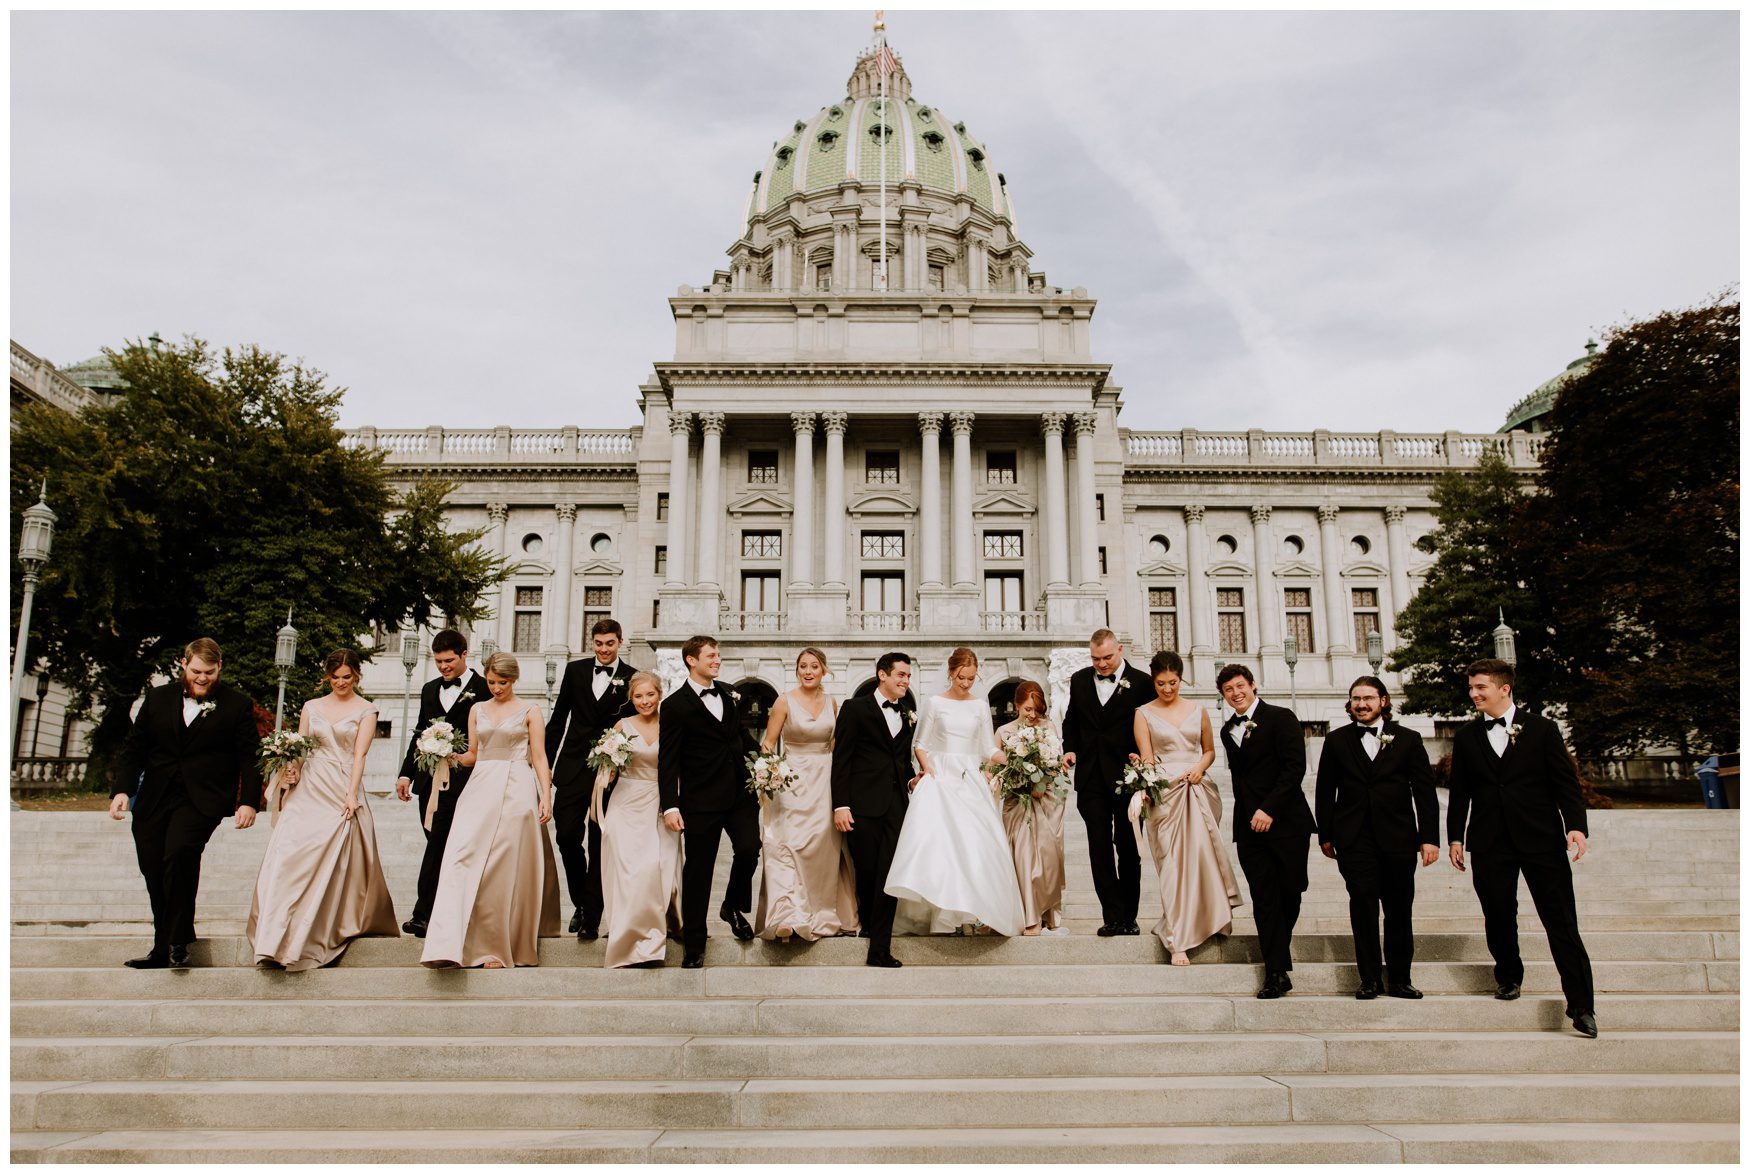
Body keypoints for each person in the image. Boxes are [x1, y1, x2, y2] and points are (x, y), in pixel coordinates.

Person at [1447, 658, 1597, 1038]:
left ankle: (1581, 1005)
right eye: (1471, 688)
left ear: (1504, 688)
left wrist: (1576, 827)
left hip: (1540, 839)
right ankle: (1508, 976)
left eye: (1480, 687)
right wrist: (1455, 837)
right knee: (1498, 914)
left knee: (1561, 921)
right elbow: (1460, 793)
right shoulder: (1465, 738)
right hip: (1489, 841)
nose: (1473, 694)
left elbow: (1565, 783)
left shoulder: (1543, 729)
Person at [108, 637, 261, 969]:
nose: (202, 678)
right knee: (153, 866)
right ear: (183, 664)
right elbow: (134, 748)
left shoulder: (236, 705)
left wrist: (248, 801)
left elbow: (250, 757)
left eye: (209, 672)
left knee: (178, 854)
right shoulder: (158, 698)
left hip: (201, 800)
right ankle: (169, 937)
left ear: (219, 668)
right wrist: (122, 790)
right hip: (153, 798)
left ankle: (171, 944)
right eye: (196, 671)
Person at [248, 649, 399, 970]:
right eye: (335, 677)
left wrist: (351, 794)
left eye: (347, 677)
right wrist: (292, 770)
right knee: (288, 854)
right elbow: (302, 746)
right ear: (327, 676)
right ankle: (272, 940)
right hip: (309, 786)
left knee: (328, 857)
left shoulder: (367, 710)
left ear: (356, 676)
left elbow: (360, 756)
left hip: (342, 783)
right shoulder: (311, 707)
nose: (341, 683)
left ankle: (309, 937)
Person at [421, 653, 562, 968]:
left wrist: (545, 795)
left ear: (514, 680)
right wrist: (446, 753)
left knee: (501, 864)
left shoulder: (531, 711)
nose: (496, 688)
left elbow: (539, 756)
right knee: (461, 856)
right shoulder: (476, 709)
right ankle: (448, 943)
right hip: (481, 784)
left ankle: (496, 947)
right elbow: (473, 753)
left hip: (517, 784)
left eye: (503, 682)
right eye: (491, 682)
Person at [1314, 675, 1440, 999]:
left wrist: (1429, 837)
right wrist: (1325, 834)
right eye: (1356, 698)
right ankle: (1369, 979)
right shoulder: (1336, 740)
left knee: (1399, 909)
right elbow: (1325, 791)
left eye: (1368, 698)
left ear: (1383, 701)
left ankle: (1400, 978)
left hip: (1398, 839)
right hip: (1354, 840)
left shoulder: (1409, 739)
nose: (1361, 704)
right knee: (1363, 907)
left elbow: (1425, 793)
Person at [886, 647, 1025, 938]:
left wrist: (1015, 757)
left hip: (970, 778)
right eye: (961, 677)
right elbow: (920, 744)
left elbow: (987, 748)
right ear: (950, 672)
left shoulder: (979, 705)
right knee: (941, 846)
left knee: (974, 844)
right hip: (941, 777)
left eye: (971, 678)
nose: (966, 683)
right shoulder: (934, 702)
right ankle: (940, 914)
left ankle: (970, 913)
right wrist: (929, 770)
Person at [658, 635, 761, 969]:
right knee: (698, 871)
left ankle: (731, 905)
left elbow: (741, 738)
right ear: (692, 660)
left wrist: (764, 764)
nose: (717, 660)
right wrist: (670, 805)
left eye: (718, 655)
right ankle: (694, 944)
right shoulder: (674, 706)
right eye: (711, 655)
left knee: (749, 849)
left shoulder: (729, 694)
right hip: (700, 800)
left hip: (738, 796)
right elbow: (668, 760)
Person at [1134, 651, 1242, 965]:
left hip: (1197, 789)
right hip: (1164, 794)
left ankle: (1213, 918)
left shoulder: (1199, 710)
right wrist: (1147, 787)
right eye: (1161, 683)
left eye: (1173, 682)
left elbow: (1209, 751)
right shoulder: (1143, 713)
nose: (1167, 689)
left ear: (1182, 679)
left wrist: (1199, 768)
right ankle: (1176, 936)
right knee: (1172, 866)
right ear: (1153, 681)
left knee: (1203, 859)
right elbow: (1148, 757)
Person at [1217, 663, 1313, 999]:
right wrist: (1250, 815)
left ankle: (1277, 955)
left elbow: (1293, 768)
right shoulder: (1227, 729)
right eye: (1229, 690)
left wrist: (1269, 809)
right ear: (1224, 695)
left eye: (1240, 686)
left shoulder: (1281, 717)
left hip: (1288, 824)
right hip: (1249, 830)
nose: (1236, 693)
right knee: (1264, 898)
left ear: (1253, 685)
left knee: (1291, 890)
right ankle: (1276, 972)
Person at [755, 648, 858, 942]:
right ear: (797, 670)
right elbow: (768, 744)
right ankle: (788, 915)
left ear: (824, 670)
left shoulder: (832, 702)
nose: (808, 671)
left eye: (814, 666)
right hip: (791, 781)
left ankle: (823, 914)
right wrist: (768, 776)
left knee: (823, 848)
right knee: (789, 844)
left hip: (824, 780)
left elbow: (837, 746)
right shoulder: (784, 701)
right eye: (803, 666)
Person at [545, 618, 638, 940]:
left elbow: (635, 727)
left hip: (609, 772)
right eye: (598, 644)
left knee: (599, 842)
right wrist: (544, 763)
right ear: (593, 643)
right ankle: (581, 902)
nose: (604, 650)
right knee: (567, 836)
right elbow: (558, 719)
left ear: (620, 642)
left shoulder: (632, 678)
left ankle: (591, 917)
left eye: (609, 644)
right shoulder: (575, 671)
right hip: (571, 766)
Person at [395, 629, 491, 938]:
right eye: (438, 661)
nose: (443, 667)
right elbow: (420, 732)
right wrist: (406, 773)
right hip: (430, 779)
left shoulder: (484, 688)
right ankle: (445, 909)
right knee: (434, 840)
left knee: (440, 843)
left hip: (467, 780)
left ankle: (423, 914)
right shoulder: (427, 689)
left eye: (448, 661)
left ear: (465, 654)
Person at [1061, 629, 1154, 936]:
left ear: (1120, 650)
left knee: (1128, 847)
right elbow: (1071, 720)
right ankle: (1112, 916)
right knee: (1098, 848)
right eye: (1095, 658)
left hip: (1128, 779)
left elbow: (1152, 727)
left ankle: (1129, 916)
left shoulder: (1142, 683)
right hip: (1090, 779)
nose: (1100, 664)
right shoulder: (1079, 679)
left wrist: (1146, 764)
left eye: (1107, 658)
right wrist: (1070, 748)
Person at [831, 651, 917, 968]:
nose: (905, 681)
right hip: (862, 805)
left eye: (908, 676)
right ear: (883, 674)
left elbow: (901, 760)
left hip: (896, 805)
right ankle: (867, 924)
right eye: (901, 675)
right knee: (866, 871)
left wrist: (912, 782)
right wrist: (840, 804)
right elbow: (842, 761)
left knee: (889, 873)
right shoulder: (855, 709)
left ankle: (879, 948)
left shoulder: (908, 712)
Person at [593, 671, 680, 969]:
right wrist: (608, 766)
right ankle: (627, 935)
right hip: (625, 804)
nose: (645, 701)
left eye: (650, 695)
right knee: (628, 871)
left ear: (659, 694)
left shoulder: (671, 725)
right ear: (632, 699)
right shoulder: (622, 726)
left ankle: (653, 936)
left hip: (659, 803)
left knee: (654, 868)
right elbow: (609, 769)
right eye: (638, 696)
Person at [991, 680, 1068, 936]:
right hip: (1017, 802)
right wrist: (1012, 776)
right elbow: (993, 770)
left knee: (1049, 858)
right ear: (1016, 706)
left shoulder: (1049, 727)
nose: (1033, 715)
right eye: (1027, 709)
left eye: (1037, 709)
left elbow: (1056, 763)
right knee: (1023, 855)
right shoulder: (1003, 732)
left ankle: (1047, 912)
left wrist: (1046, 774)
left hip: (1046, 799)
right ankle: (1029, 917)